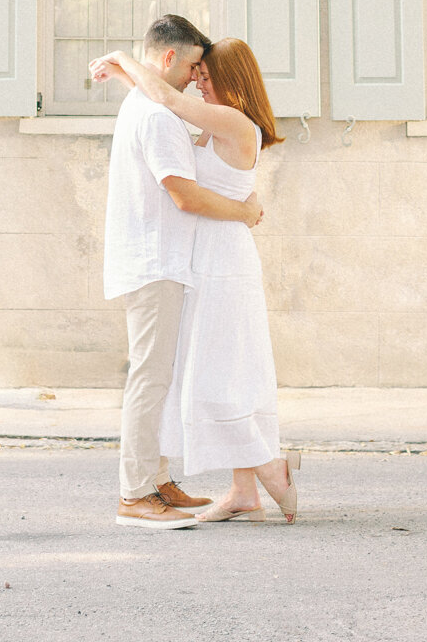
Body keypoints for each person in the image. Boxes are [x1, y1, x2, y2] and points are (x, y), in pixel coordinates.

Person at [92, 36, 301, 525]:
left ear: (231, 80)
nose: (197, 82)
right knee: (213, 369)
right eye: (196, 72)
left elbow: (165, 96)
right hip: (201, 255)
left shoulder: (232, 121)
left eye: (206, 76)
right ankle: (244, 490)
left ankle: (269, 467)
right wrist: (128, 76)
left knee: (223, 371)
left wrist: (123, 60)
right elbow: (159, 100)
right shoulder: (213, 121)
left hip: (222, 258)